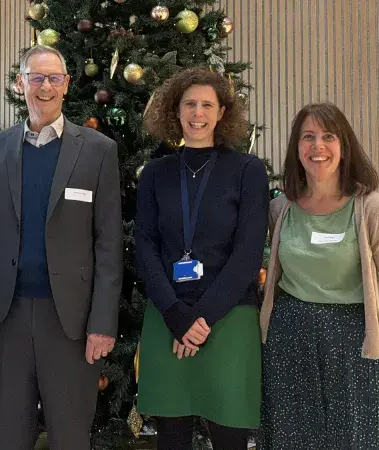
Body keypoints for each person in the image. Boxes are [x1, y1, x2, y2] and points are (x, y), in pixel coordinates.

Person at [0, 45, 123, 450]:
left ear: (66, 84)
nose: (44, 86)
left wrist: (103, 322)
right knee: (12, 435)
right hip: (8, 315)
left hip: (71, 322)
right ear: (20, 82)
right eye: (35, 77)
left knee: (71, 436)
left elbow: (108, 246)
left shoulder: (97, 150)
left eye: (53, 78)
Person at [260, 103, 379, 449]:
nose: (317, 147)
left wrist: (357, 322)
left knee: (362, 440)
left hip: (356, 348)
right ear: (296, 148)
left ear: (344, 146)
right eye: (308, 137)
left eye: (328, 137)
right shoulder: (279, 208)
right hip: (289, 346)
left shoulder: (374, 210)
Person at [135, 67, 268, 449]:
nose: (198, 113)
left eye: (207, 104)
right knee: (172, 438)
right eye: (189, 104)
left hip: (228, 317)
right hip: (167, 314)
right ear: (175, 111)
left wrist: (201, 318)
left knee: (229, 436)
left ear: (222, 112)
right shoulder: (156, 173)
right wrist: (177, 314)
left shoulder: (247, 170)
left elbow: (247, 255)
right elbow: (146, 248)